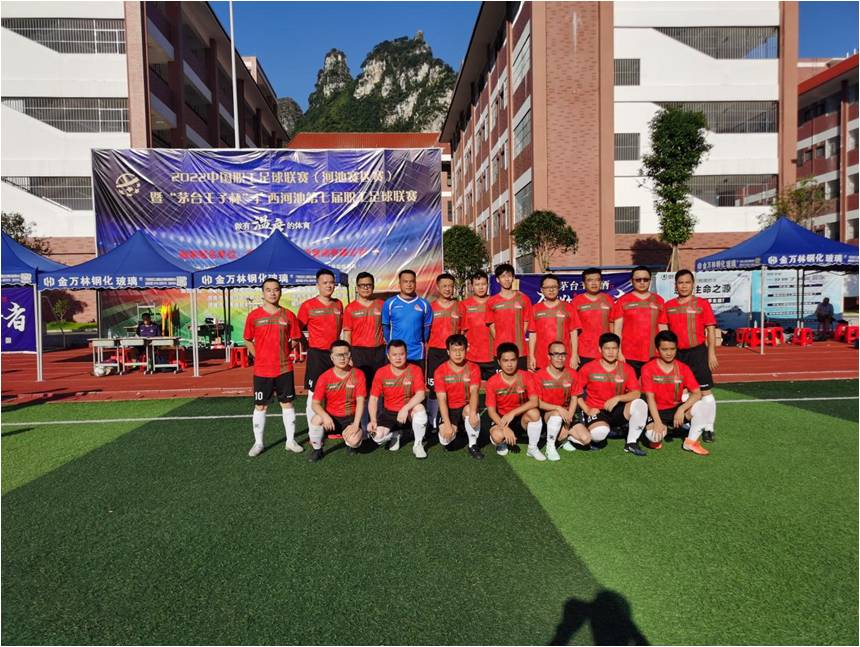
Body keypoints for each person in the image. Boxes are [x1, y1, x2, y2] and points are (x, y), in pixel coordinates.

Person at [243, 277, 304, 456]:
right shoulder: (254, 316)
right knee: (261, 406)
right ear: (263, 293)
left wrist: (284, 351)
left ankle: (290, 441)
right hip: (262, 370)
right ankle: (258, 443)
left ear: (280, 292)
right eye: (268, 290)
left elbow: (295, 338)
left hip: (284, 368)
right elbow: (247, 339)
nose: (272, 293)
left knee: (287, 403)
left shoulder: (288, 315)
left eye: (276, 289)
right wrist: (259, 356)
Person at [658, 270, 719, 443]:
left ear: (693, 284)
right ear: (675, 285)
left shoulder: (702, 304)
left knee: (705, 391)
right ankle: (688, 422)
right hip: (677, 355)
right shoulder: (668, 305)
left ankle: (709, 428)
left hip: (698, 353)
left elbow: (710, 330)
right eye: (680, 283)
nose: (684, 286)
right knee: (682, 390)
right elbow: (663, 328)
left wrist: (711, 353)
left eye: (687, 282)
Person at [574, 333, 649, 456]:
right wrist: (587, 410)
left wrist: (618, 398)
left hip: (617, 410)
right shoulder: (588, 367)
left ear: (618, 349)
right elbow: (575, 392)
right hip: (597, 410)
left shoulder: (627, 369)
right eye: (607, 348)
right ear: (600, 349)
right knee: (599, 434)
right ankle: (587, 426)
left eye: (614, 348)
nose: (611, 352)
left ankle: (631, 442)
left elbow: (636, 393)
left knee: (640, 404)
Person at [640, 330, 711, 456]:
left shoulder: (683, 368)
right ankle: (663, 429)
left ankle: (690, 442)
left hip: (676, 408)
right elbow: (650, 398)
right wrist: (657, 422)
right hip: (657, 411)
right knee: (654, 437)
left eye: (672, 349)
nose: (669, 353)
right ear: (657, 350)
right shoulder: (648, 368)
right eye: (664, 349)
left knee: (703, 406)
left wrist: (682, 409)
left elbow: (697, 393)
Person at [368, 339, 429, 459]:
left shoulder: (415, 369)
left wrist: (405, 408)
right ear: (388, 356)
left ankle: (418, 444)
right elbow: (373, 399)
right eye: (394, 354)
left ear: (406, 354)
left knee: (420, 408)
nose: (398, 358)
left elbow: (421, 394)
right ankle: (395, 434)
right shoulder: (381, 372)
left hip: (408, 412)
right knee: (377, 437)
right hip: (389, 413)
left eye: (401, 354)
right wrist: (373, 420)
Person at [307, 341, 367, 462]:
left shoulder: (358, 374)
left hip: (350, 418)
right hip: (331, 419)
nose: (342, 358)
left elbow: (361, 401)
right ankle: (318, 449)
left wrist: (356, 424)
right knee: (316, 420)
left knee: (354, 441)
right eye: (338, 355)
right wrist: (325, 416)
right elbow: (315, 404)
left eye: (345, 354)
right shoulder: (324, 377)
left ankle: (350, 444)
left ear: (350, 356)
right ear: (332, 357)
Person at [297, 268, 344, 425]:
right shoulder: (307, 306)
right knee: (314, 393)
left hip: (335, 355)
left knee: (335, 391)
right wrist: (307, 345)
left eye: (331, 283)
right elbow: (297, 330)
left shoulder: (338, 304)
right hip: (317, 355)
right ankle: (314, 430)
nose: (329, 286)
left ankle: (333, 427)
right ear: (317, 285)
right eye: (325, 283)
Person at [485, 342, 544, 461]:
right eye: (505, 361)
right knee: (497, 436)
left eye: (513, 360)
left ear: (517, 360)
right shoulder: (492, 382)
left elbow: (534, 402)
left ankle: (532, 448)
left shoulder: (526, 376)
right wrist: (504, 427)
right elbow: (491, 411)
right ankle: (502, 443)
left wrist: (512, 413)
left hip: (521, 417)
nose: (509, 364)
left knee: (534, 413)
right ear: (499, 362)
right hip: (502, 418)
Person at [535, 341, 591, 461]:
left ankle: (563, 439)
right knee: (556, 414)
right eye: (556, 354)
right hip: (548, 414)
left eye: (563, 354)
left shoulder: (572, 374)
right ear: (549, 356)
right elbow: (537, 402)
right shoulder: (539, 375)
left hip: (567, 414)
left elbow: (575, 398)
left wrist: (567, 424)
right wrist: (558, 408)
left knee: (586, 439)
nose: (560, 358)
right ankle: (550, 446)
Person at [433, 334, 483, 460]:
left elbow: (474, 392)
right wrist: (447, 424)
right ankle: (460, 429)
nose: (458, 354)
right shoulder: (440, 371)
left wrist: (473, 413)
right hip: (449, 409)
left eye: (461, 350)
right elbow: (442, 399)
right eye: (454, 350)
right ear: (448, 352)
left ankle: (473, 445)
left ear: (467, 350)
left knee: (470, 411)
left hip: (465, 406)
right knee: (446, 440)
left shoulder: (474, 368)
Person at [426, 273, 465, 430]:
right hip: (436, 352)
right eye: (444, 286)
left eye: (450, 286)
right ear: (438, 287)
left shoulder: (460, 306)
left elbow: (463, 331)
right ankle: (432, 422)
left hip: (454, 353)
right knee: (434, 388)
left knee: (455, 386)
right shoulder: (430, 307)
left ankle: (457, 420)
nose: (448, 289)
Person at [342, 272, 386, 408]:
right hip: (359, 353)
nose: (366, 288)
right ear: (357, 288)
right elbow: (347, 334)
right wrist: (348, 355)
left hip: (379, 352)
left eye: (368, 285)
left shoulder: (382, 305)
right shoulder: (350, 308)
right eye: (362, 285)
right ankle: (363, 418)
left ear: (373, 286)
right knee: (361, 388)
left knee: (379, 388)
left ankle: (378, 417)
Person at [611, 266, 665, 377]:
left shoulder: (659, 300)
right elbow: (617, 330)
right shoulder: (623, 301)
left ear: (650, 280)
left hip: (653, 353)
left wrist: (664, 350)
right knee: (631, 386)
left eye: (645, 279)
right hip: (629, 355)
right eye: (638, 280)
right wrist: (618, 352)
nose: (642, 282)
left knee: (652, 386)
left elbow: (663, 328)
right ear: (632, 281)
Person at [528, 273, 581, 371]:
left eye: (554, 287)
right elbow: (532, 334)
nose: (551, 290)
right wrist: (531, 356)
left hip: (564, 357)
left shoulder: (569, 308)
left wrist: (574, 355)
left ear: (559, 288)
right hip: (542, 358)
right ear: (541, 290)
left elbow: (574, 333)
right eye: (547, 287)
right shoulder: (535, 309)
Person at [485, 264, 533, 371]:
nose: (506, 279)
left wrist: (518, 337)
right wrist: (501, 340)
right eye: (503, 276)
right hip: (500, 349)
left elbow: (526, 322)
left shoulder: (524, 299)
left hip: (520, 350)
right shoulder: (491, 301)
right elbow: (491, 325)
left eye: (509, 276)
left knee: (520, 380)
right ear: (497, 280)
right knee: (501, 381)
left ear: (513, 278)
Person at [381, 269, 433, 367]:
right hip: (395, 353)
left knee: (417, 377)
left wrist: (418, 342)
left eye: (411, 281)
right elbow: (385, 327)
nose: (409, 284)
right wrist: (392, 344)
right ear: (399, 284)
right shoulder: (390, 303)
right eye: (405, 281)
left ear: (415, 283)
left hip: (416, 353)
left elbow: (426, 330)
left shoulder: (424, 304)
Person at [571, 268, 615, 367]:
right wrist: (574, 354)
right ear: (584, 283)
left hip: (606, 351)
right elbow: (573, 331)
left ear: (601, 282)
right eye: (590, 280)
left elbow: (613, 326)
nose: (594, 283)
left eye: (597, 280)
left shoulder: (608, 300)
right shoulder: (576, 302)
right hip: (584, 353)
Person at [460, 270, 496, 381]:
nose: (481, 287)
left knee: (494, 388)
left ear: (488, 285)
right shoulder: (464, 305)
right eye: (477, 284)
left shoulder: (495, 302)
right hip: (472, 356)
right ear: (472, 286)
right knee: (472, 388)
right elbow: (462, 332)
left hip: (493, 356)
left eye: (483, 284)